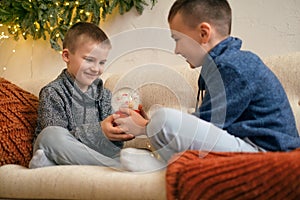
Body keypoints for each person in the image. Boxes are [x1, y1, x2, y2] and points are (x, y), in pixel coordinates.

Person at [113, 0, 300, 172]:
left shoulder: (234, 65)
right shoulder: (221, 66)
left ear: (204, 33)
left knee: (163, 119)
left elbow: (208, 126)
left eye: (177, 39)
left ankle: (170, 165)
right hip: (246, 147)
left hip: (269, 156)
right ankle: (170, 164)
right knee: (133, 153)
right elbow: (205, 132)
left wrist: (146, 126)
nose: (176, 50)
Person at [29, 22, 134, 168]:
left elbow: (114, 146)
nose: (96, 69)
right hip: (60, 149)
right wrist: (99, 131)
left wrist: (121, 130)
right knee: (50, 136)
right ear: (66, 56)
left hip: (96, 155)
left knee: (131, 153)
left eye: (102, 62)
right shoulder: (53, 92)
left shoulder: (105, 96)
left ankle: (48, 163)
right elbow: (58, 139)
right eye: (89, 60)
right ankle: (115, 167)